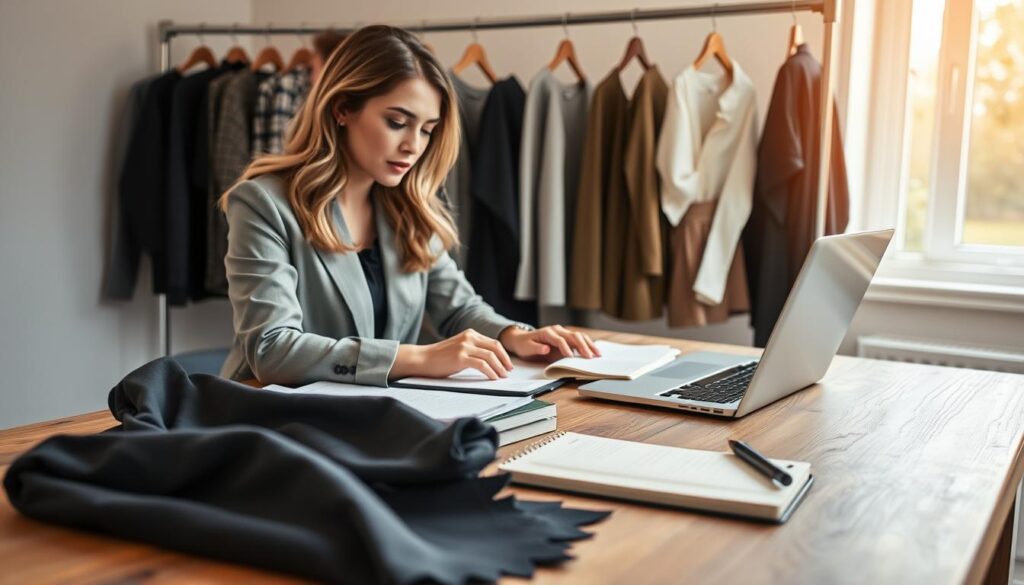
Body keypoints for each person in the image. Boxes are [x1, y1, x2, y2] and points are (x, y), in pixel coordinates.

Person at [219, 25, 600, 387]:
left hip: (372, 414)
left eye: (427, 130)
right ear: (342, 109)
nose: (414, 146)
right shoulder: (263, 204)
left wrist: (515, 335)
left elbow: (458, 308)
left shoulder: (408, 204)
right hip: (269, 417)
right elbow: (272, 349)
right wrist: (418, 359)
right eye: (397, 122)